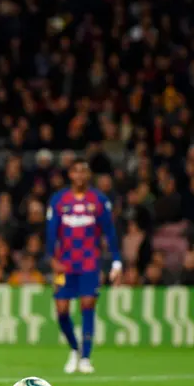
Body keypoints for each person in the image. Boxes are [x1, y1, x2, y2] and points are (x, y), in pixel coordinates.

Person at [46, 157, 122, 374]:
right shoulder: (59, 200)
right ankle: (74, 348)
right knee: (61, 310)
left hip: (89, 262)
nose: (79, 175)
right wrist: (51, 258)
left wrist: (116, 261)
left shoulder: (99, 200)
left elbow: (110, 232)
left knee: (87, 305)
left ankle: (86, 357)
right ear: (70, 174)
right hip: (64, 263)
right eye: (76, 171)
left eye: (83, 171)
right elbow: (51, 232)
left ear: (88, 175)